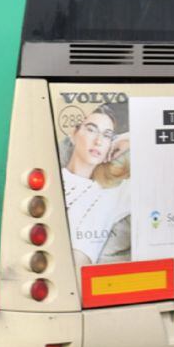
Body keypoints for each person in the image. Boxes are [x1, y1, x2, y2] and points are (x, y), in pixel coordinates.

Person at [61, 104, 131, 265]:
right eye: (91, 130)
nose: (99, 141)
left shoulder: (114, 191)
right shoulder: (51, 177)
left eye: (107, 136)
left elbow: (162, 151)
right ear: (73, 134)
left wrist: (126, 139)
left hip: (80, 278)